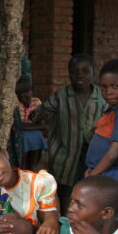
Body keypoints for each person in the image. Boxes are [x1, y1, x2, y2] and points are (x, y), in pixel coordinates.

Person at [32, 54, 106, 214]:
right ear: (68, 73)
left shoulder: (101, 97)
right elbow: (43, 111)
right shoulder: (62, 95)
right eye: (74, 71)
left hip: (91, 154)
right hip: (65, 154)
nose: (79, 75)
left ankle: (84, 221)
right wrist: (36, 116)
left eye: (85, 71)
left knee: (89, 188)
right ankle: (66, 220)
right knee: (65, 190)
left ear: (93, 73)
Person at [84, 59, 118, 212]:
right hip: (102, 171)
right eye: (104, 87)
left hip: (111, 174)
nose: (108, 92)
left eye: (115, 86)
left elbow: (114, 152)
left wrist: (94, 174)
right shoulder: (116, 110)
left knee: (107, 220)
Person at [15, 78, 47, 171]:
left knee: (37, 135)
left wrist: (25, 126)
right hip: (23, 135)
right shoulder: (17, 105)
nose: (23, 95)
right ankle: (23, 167)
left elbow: (42, 124)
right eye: (20, 93)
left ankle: (33, 168)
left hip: (34, 134)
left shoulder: (36, 102)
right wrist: (35, 126)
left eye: (26, 92)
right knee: (25, 137)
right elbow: (18, 125)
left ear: (32, 92)